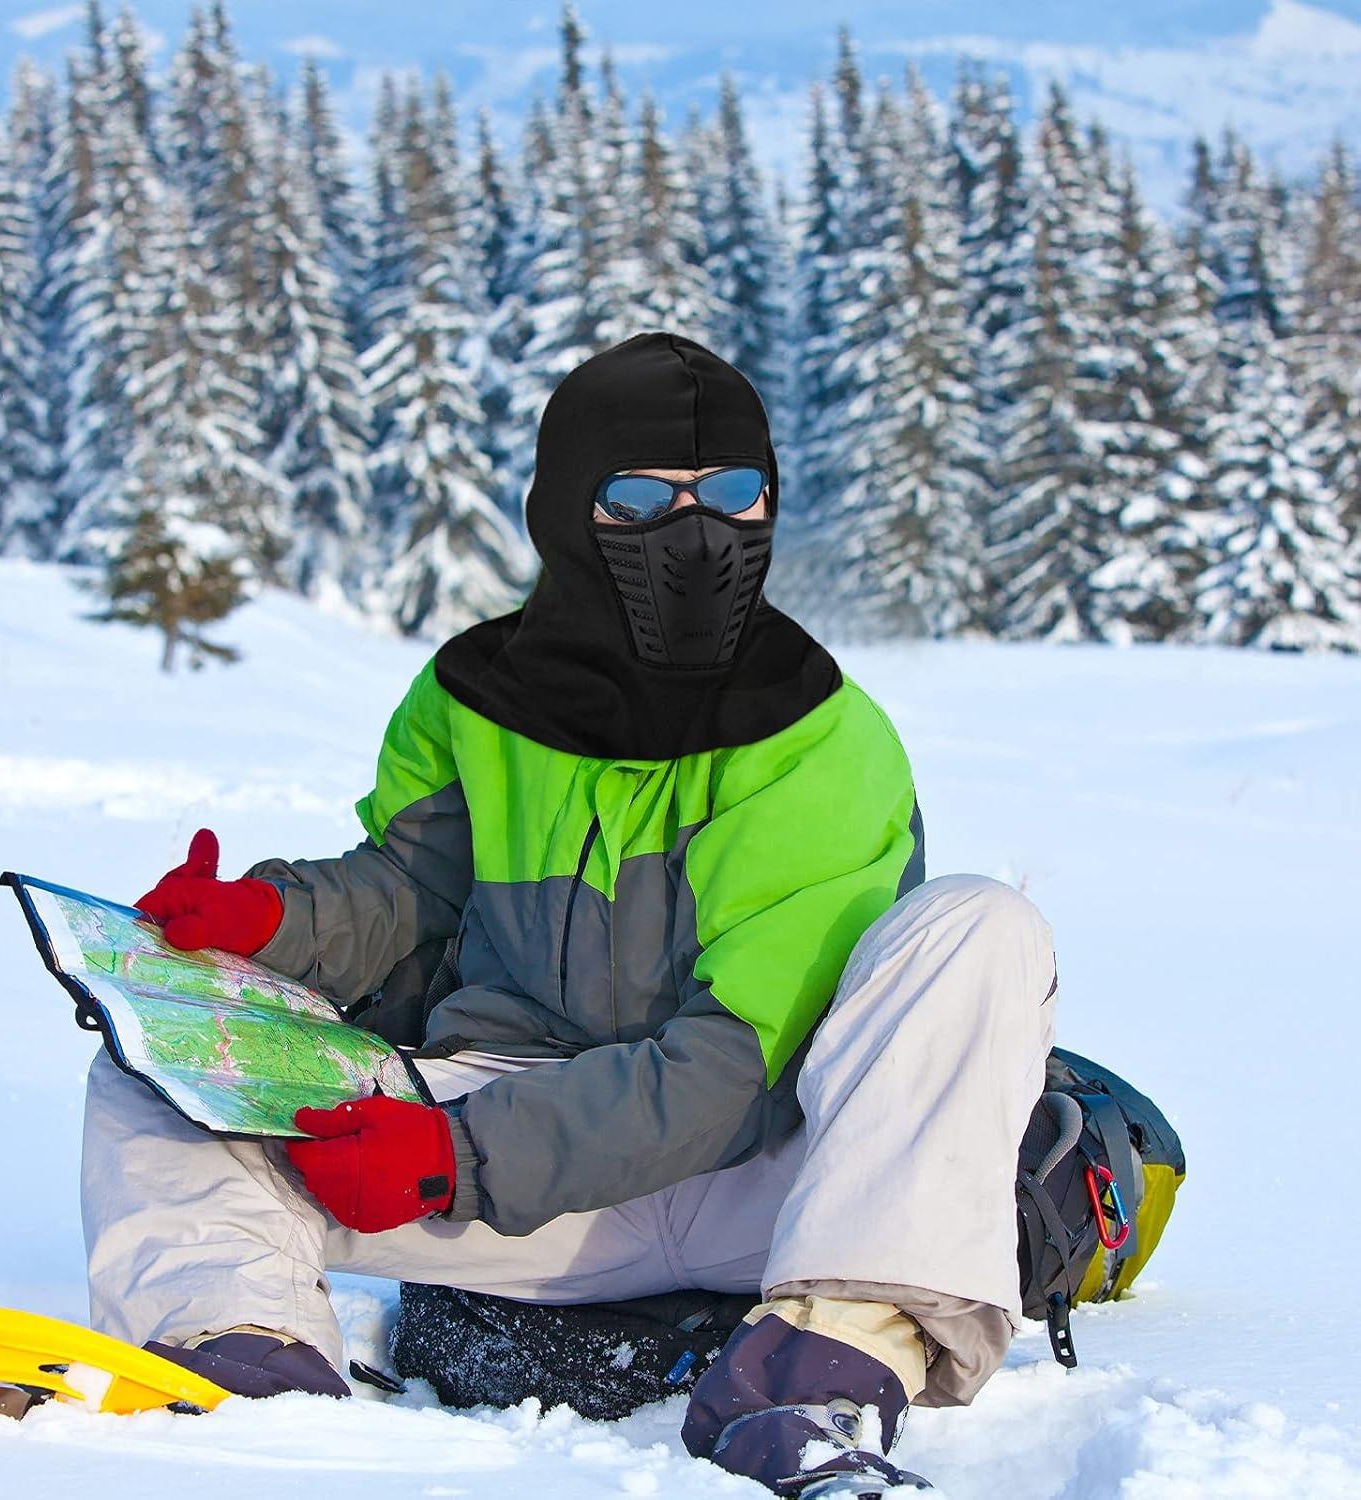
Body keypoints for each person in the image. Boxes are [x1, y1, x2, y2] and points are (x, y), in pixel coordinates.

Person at [87, 331, 1057, 1497]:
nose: (697, 535)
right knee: (159, 1059)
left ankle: (824, 1374)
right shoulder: (474, 697)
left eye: (735, 496)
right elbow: (408, 894)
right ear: (563, 508)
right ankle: (249, 1376)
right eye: (641, 497)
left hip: (760, 1183)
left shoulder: (820, 739)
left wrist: (456, 1156)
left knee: (980, 925)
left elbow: (725, 1076)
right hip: (513, 1162)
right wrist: (262, 921)